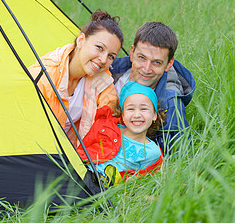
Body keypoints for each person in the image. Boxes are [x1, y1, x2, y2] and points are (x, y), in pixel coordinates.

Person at [29, 10, 123, 146]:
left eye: (111, 56)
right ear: (81, 40)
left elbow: (108, 123)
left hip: (70, 155)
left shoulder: (102, 81)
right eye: (99, 48)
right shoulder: (44, 75)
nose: (103, 60)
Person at [110, 22, 196, 155]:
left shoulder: (171, 106)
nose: (146, 68)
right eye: (142, 58)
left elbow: (181, 157)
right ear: (132, 53)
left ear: (169, 64)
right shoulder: (108, 71)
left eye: (157, 62)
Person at [77, 81, 163, 182]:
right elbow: (86, 146)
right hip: (81, 170)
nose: (137, 115)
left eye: (143, 109)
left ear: (154, 115)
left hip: (101, 186)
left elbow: (143, 179)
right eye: (130, 109)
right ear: (122, 115)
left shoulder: (152, 152)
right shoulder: (108, 127)